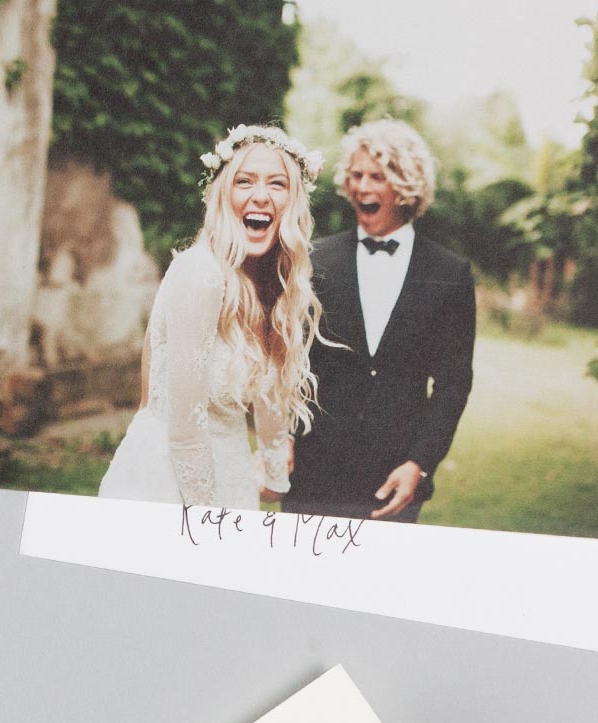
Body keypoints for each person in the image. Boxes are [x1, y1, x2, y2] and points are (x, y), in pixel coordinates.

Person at [99, 123, 325, 510]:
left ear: (294, 200)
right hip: (168, 485)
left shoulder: (267, 285)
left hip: (230, 472)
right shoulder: (200, 274)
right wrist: (208, 526)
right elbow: (184, 431)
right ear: (223, 194)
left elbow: (269, 392)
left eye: (277, 183)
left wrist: (274, 473)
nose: (261, 196)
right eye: (245, 181)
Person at [282, 119, 476, 525]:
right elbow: (290, 362)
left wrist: (420, 464)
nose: (362, 188)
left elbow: (453, 382)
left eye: (377, 176)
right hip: (313, 472)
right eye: (355, 175)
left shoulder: (450, 272)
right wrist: (280, 437)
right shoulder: (314, 261)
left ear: (406, 185)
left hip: (393, 478)